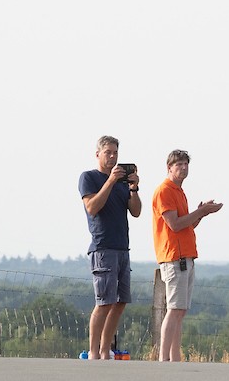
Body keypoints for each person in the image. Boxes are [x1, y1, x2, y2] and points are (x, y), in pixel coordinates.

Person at [152, 149, 223, 362]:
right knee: (174, 309)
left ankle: (175, 358)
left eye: (185, 164)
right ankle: (164, 359)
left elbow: (187, 225)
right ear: (169, 168)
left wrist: (201, 213)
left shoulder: (179, 192)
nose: (183, 168)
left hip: (186, 257)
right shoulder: (164, 190)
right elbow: (174, 225)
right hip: (174, 258)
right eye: (179, 164)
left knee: (180, 310)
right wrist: (201, 212)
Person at [78, 135, 142, 360]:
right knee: (104, 302)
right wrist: (110, 181)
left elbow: (136, 212)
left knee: (120, 301)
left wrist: (133, 189)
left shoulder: (122, 184)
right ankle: (94, 352)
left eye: (116, 153)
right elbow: (92, 207)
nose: (113, 157)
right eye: (108, 153)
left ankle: (106, 349)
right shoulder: (89, 178)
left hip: (123, 248)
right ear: (98, 154)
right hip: (102, 248)